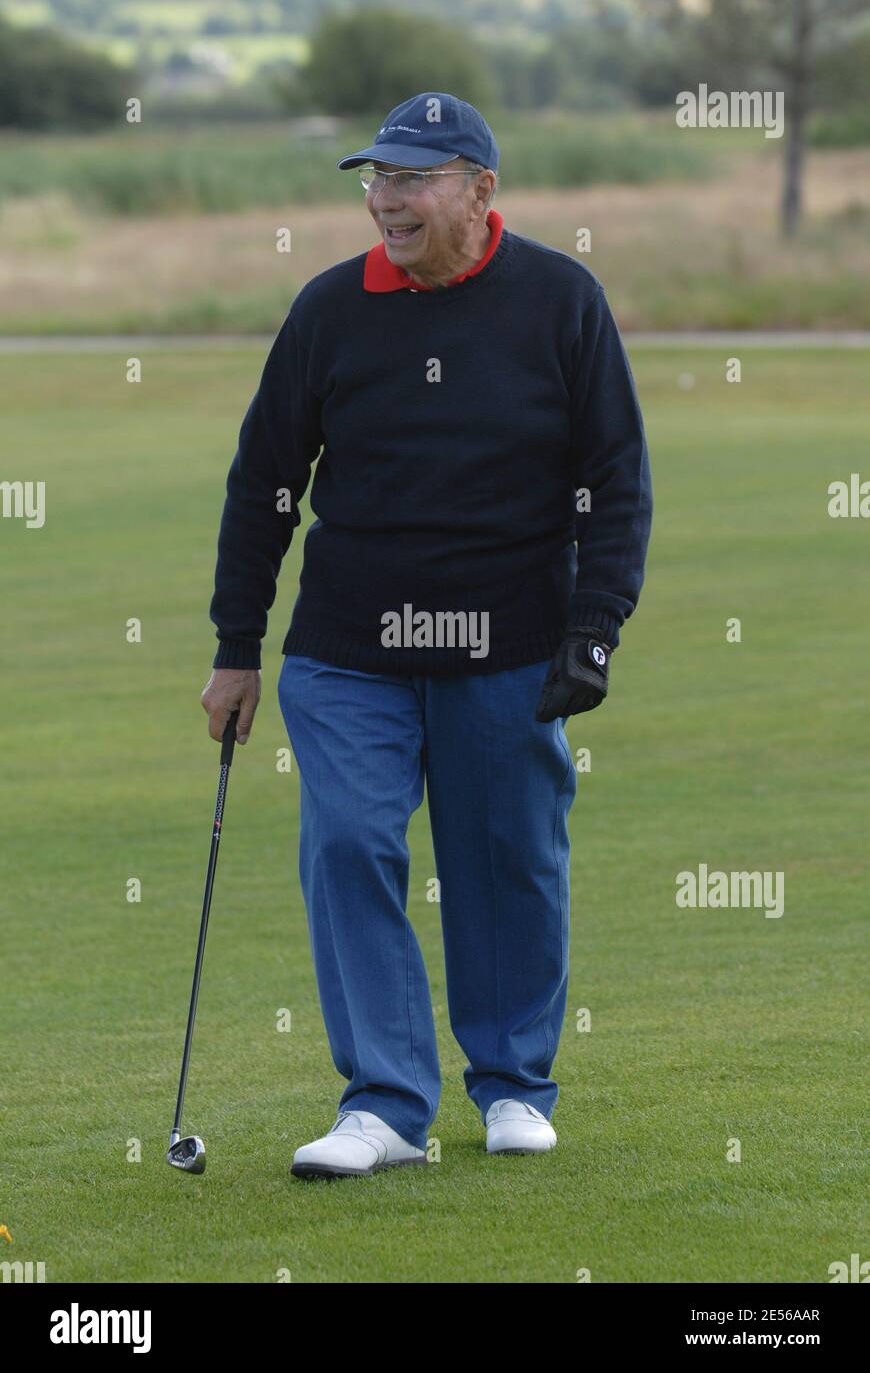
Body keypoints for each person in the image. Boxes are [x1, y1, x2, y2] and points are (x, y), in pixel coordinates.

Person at [201, 92, 652, 1179]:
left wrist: (596, 627)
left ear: (479, 188)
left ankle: (512, 1083)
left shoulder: (559, 299)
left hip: (511, 645)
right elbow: (266, 481)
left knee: (507, 860)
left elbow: (615, 479)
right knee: (349, 842)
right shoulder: (330, 310)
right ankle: (387, 1103)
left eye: (412, 178)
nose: (386, 200)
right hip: (348, 645)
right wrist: (236, 644)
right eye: (377, 179)